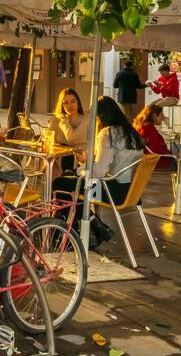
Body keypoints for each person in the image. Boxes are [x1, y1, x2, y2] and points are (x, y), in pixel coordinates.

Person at [52, 97, 145, 248]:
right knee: (74, 183)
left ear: (100, 116)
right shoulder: (131, 133)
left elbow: (100, 172)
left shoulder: (107, 134)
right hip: (131, 191)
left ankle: (88, 226)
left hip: (112, 192)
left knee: (60, 184)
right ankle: (92, 224)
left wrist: (81, 165)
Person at [50, 87, 89, 173]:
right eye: (66, 103)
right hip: (57, 162)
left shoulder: (85, 120)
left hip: (79, 162)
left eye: (73, 101)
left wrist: (64, 121)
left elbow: (72, 139)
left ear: (78, 102)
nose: (70, 106)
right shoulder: (56, 121)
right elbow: (49, 142)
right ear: (62, 105)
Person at [134, 102, 176, 168]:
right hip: (160, 163)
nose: (163, 118)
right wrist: (171, 154)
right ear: (154, 115)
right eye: (161, 115)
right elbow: (156, 151)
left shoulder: (143, 127)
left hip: (153, 160)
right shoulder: (149, 130)